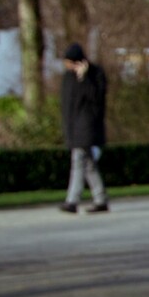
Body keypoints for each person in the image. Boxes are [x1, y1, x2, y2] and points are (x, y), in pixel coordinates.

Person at [60, 42, 109, 214]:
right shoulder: (68, 77)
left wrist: (84, 79)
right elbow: (67, 105)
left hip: (88, 127)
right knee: (89, 165)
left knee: (78, 162)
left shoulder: (95, 75)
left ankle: (72, 200)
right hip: (74, 127)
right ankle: (100, 199)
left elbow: (96, 99)